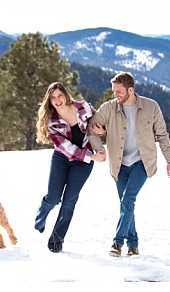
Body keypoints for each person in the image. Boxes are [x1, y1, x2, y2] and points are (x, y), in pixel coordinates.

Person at [86, 72, 170, 257]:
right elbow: (91, 128)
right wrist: (99, 150)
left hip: (142, 162)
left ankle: (117, 243)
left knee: (128, 200)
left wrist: (169, 160)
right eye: (113, 91)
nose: (115, 95)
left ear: (130, 90)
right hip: (119, 165)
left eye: (119, 91)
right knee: (127, 204)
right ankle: (133, 245)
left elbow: (162, 134)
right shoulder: (109, 108)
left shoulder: (151, 107)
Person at [32, 82, 105, 253]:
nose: (57, 100)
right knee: (53, 198)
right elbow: (67, 148)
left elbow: (100, 121)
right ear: (49, 101)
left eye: (60, 95)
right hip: (62, 159)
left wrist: (101, 129)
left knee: (69, 201)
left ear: (66, 94)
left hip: (83, 163)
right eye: (53, 98)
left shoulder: (84, 108)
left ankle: (56, 240)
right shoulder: (51, 122)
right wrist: (91, 156)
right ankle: (41, 217)